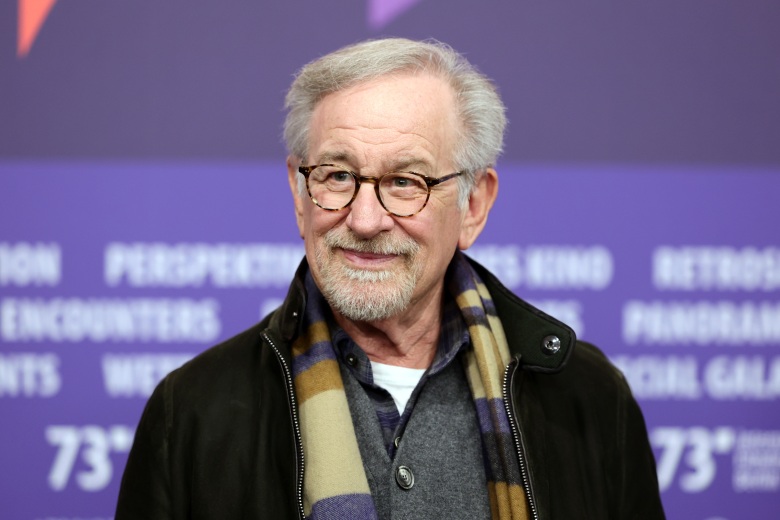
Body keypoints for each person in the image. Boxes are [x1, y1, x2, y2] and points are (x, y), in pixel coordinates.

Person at [116, 38, 665, 519]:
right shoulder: (190, 412)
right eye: (336, 176)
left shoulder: (589, 398)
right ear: (298, 192)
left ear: (473, 205)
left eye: (405, 181)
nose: (365, 219)